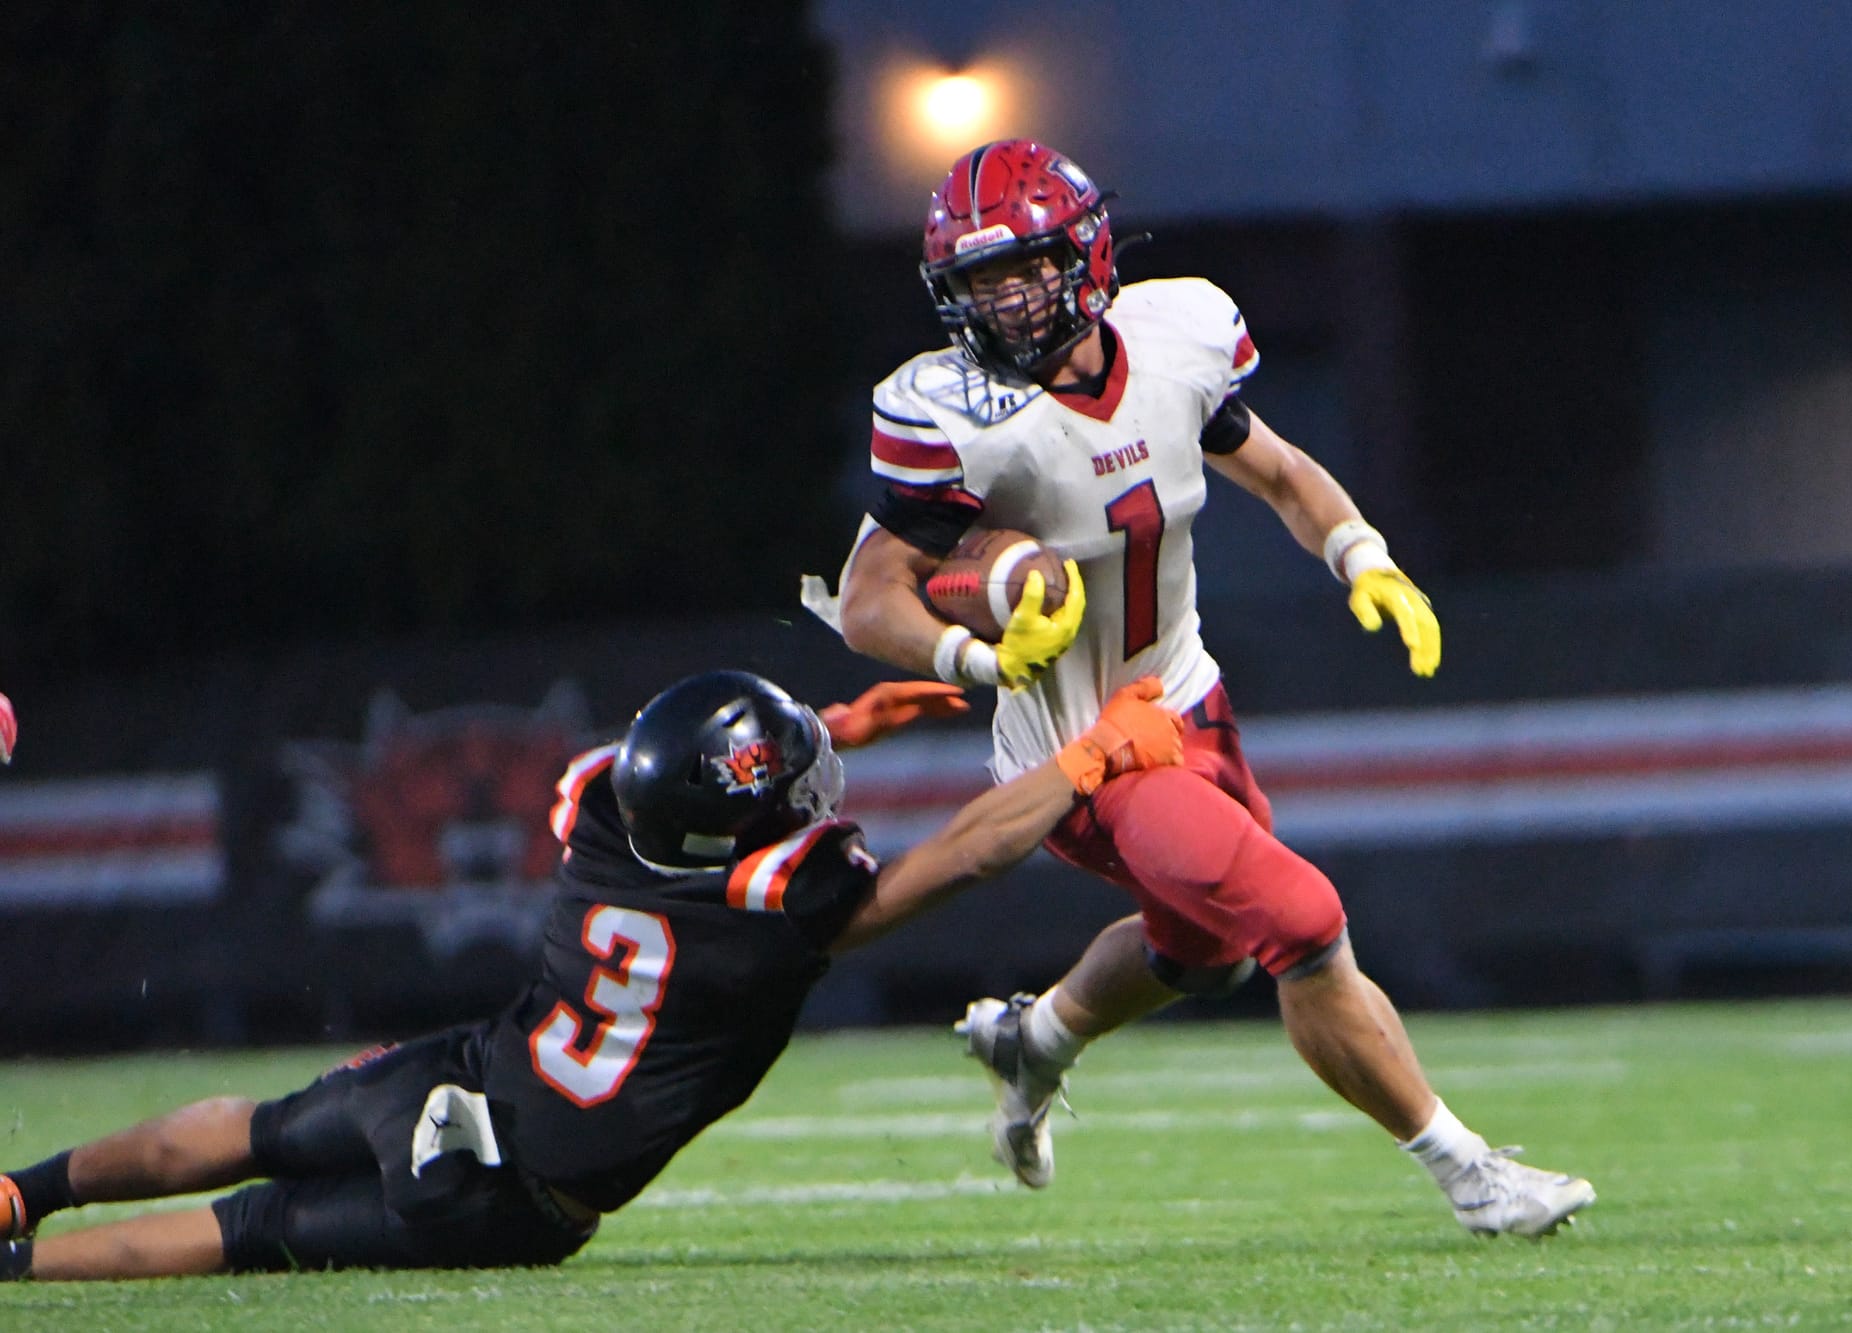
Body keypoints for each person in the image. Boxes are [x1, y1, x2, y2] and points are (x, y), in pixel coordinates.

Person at [814, 139, 1594, 1237]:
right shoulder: (948, 410)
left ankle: (1033, 1039)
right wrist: (973, 657)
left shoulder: (1177, 333)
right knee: (1303, 924)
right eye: (982, 281)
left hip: (1189, 700)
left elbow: (1274, 468)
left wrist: (1358, 554)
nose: (1008, 301)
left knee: (1201, 950)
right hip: (1083, 755)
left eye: (1025, 268)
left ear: (1084, 251)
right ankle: (1467, 1171)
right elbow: (867, 598)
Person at [0, 670, 1183, 1280]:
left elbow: (681, 777)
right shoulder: (774, 910)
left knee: (255, 1129)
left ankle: (21, 1191)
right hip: (513, 1193)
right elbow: (969, 851)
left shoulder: (603, 817)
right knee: (247, 1233)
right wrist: (1088, 757)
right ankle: (28, 1268)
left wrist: (829, 724)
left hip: (476, 1065)